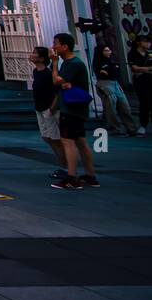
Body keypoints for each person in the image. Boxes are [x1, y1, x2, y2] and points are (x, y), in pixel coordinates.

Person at [50, 32, 99, 190]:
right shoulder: (72, 63)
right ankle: (90, 175)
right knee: (80, 140)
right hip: (76, 107)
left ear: (65, 46)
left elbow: (57, 81)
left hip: (71, 108)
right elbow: (62, 84)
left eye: (56, 43)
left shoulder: (72, 64)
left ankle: (72, 177)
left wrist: (55, 63)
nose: (54, 46)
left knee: (68, 142)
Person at [29, 45, 69, 181]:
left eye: (34, 53)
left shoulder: (48, 73)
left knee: (56, 139)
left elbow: (58, 91)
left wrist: (52, 107)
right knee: (47, 138)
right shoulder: (36, 72)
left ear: (41, 58)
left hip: (48, 109)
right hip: (40, 108)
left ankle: (66, 167)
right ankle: (64, 164)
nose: (31, 55)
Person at [94, 44, 138, 136]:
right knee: (111, 108)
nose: (109, 52)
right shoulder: (98, 62)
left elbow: (115, 73)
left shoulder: (111, 61)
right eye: (106, 50)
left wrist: (111, 71)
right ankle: (116, 129)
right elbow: (104, 73)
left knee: (124, 106)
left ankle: (131, 129)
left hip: (115, 83)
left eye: (109, 50)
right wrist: (110, 71)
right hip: (105, 84)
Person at [129, 33, 152, 137]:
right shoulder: (132, 53)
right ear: (139, 42)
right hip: (140, 82)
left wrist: (142, 70)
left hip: (149, 80)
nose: (148, 44)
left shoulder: (149, 54)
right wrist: (147, 69)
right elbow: (134, 68)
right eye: (145, 41)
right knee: (144, 103)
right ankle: (143, 125)